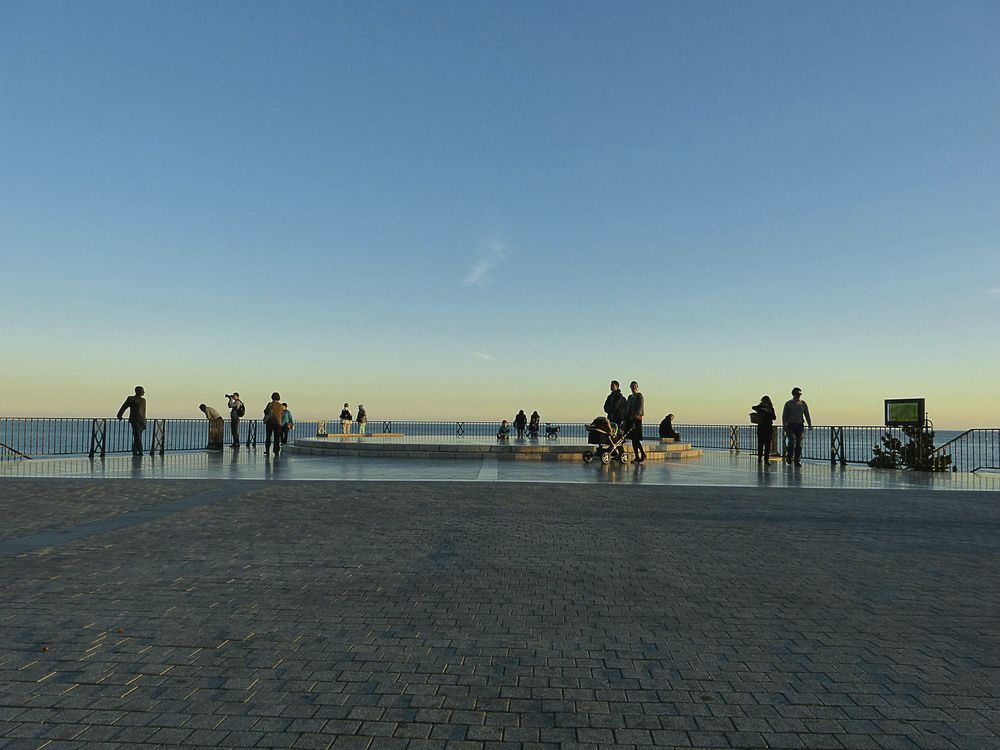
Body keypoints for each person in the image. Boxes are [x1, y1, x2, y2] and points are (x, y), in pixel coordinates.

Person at [781, 387, 812, 466]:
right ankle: (789, 457)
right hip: (790, 425)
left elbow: (807, 415)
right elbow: (784, 416)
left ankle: (797, 460)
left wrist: (809, 425)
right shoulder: (788, 403)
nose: (799, 396)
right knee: (791, 441)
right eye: (797, 394)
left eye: (800, 394)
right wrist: (784, 425)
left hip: (800, 425)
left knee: (799, 443)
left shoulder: (803, 403)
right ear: (793, 394)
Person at [116, 386, 146, 456]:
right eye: (142, 391)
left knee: (137, 436)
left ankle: (135, 450)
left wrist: (144, 421)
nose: (144, 392)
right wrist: (119, 415)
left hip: (142, 420)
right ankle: (140, 450)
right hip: (135, 420)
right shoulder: (131, 399)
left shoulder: (143, 400)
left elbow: (143, 411)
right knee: (137, 436)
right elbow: (124, 407)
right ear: (138, 391)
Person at [751, 397, 777, 467]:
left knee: (767, 445)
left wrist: (769, 411)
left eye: (765, 402)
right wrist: (762, 408)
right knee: (760, 444)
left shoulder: (771, 409)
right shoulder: (760, 408)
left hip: (768, 428)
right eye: (763, 402)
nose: (764, 403)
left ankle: (766, 459)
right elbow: (753, 407)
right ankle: (760, 457)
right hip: (761, 428)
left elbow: (774, 417)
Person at [626, 381, 646, 463]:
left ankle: (642, 454)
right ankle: (637, 456)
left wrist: (635, 415)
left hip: (637, 419)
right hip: (630, 419)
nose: (633, 387)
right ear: (630, 387)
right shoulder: (630, 397)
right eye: (632, 385)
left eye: (635, 385)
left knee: (636, 439)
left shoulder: (639, 396)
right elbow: (627, 408)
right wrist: (626, 417)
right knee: (633, 440)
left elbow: (640, 407)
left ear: (637, 386)